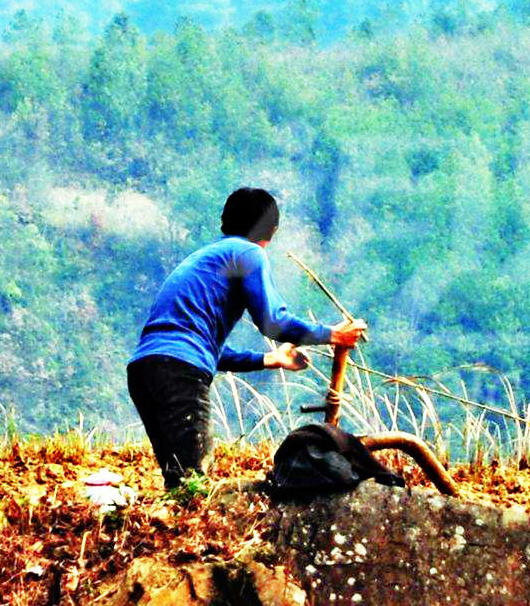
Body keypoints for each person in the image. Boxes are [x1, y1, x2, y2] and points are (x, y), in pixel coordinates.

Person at [128, 187, 367, 491]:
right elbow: (273, 322)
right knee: (192, 484)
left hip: (145, 371)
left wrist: (271, 359)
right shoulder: (248, 254)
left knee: (181, 480)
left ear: (225, 222)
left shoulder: (206, 258)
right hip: (178, 372)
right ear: (272, 231)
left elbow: (207, 348)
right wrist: (332, 334)